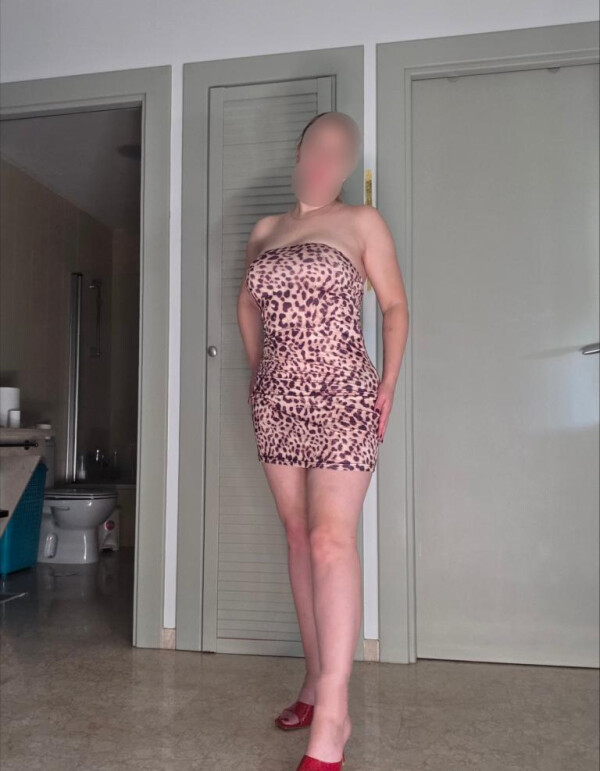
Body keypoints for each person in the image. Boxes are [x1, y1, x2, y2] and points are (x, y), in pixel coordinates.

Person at [237, 111, 409, 771]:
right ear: (299, 150)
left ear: (348, 165)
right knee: (297, 537)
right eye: (318, 146)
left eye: (340, 152)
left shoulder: (361, 222)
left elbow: (394, 305)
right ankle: (313, 680)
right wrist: (258, 370)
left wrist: (386, 381)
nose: (325, 160)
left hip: (343, 393)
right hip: (277, 401)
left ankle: (333, 713)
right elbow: (248, 302)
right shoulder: (264, 230)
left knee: (331, 538)